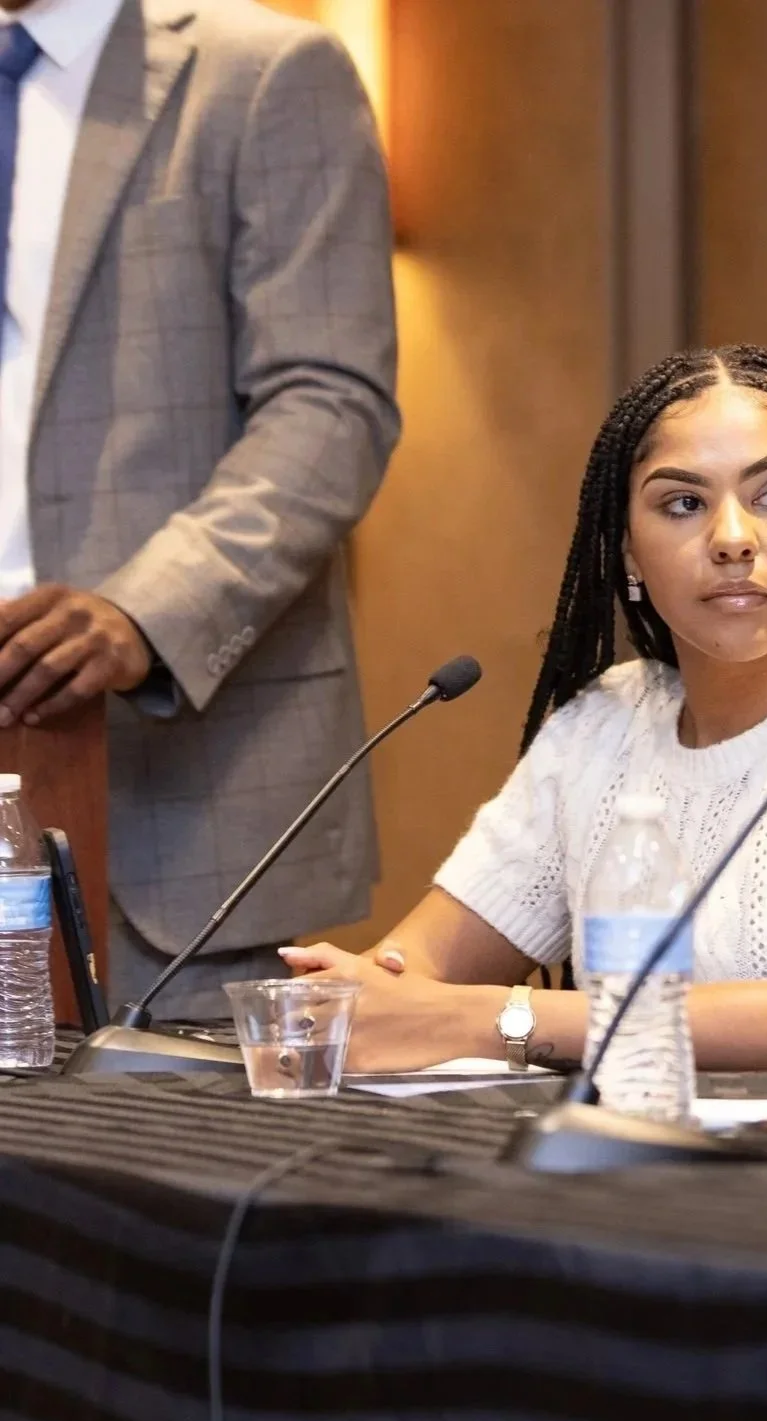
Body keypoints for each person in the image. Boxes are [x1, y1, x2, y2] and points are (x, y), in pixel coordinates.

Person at [286, 346, 767, 1079]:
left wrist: (484, 1021)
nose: (733, 538)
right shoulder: (602, 726)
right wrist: (353, 999)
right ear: (629, 551)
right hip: (632, 1146)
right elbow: (416, 973)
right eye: (684, 503)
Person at [0, 0, 399, 1017]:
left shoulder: (267, 73)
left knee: (149, 1126)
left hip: (181, 819)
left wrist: (148, 611)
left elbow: (329, 403)